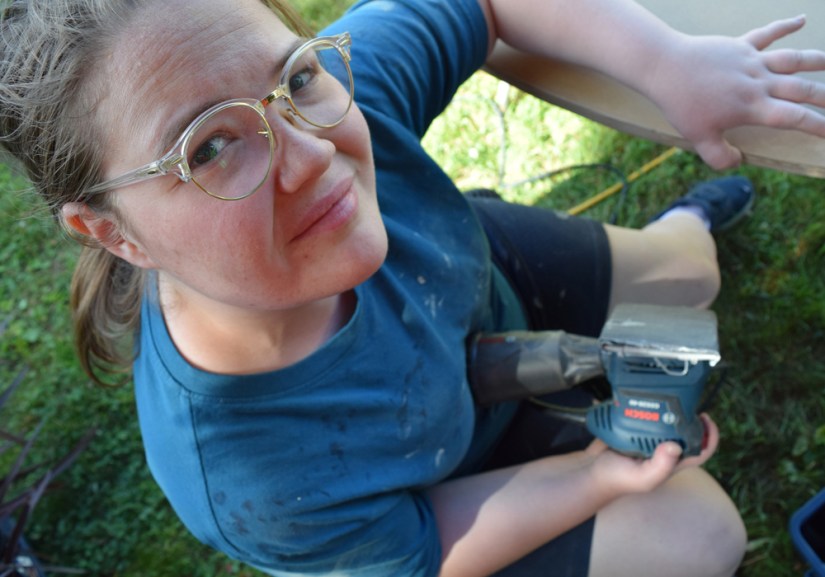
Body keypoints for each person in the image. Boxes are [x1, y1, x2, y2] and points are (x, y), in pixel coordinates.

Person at [3, 0, 825, 575]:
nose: (312, 155)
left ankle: (686, 216)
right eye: (209, 150)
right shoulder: (247, 476)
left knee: (690, 277)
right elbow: (424, 546)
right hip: (452, 471)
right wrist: (598, 475)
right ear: (112, 233)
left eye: (290, 80)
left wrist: (668, 64)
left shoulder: (326, 104)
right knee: (698, 535)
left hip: (477, 283)